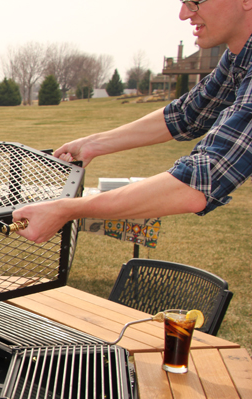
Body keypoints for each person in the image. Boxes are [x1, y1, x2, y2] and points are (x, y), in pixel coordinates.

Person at [13, 0, 252, 244]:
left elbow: (201, 180)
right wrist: (94, 144)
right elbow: (185, 115)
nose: (183, 15)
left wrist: (66, 209)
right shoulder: (239, 58)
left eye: (195, 2)